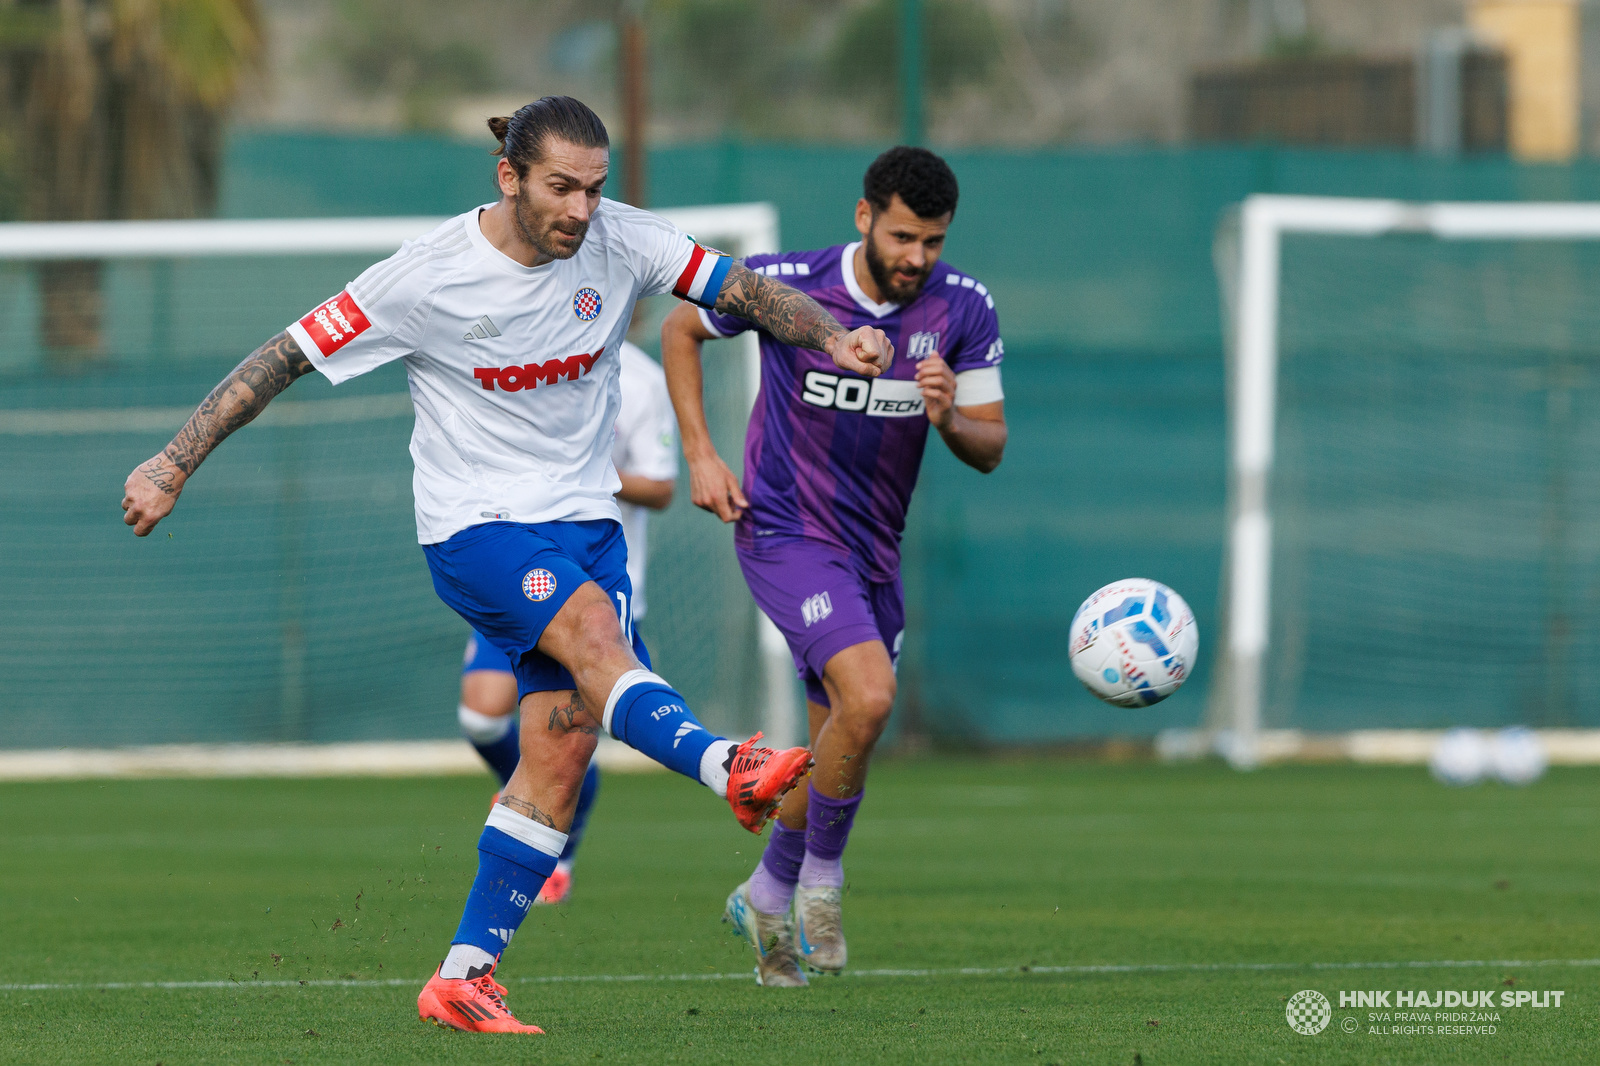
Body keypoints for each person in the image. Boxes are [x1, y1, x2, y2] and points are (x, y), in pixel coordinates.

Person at [120, 95, 892, 1034]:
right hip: (474, 527)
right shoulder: (427, 278)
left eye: (594, 189)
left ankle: (464, 973)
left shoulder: (623, 240)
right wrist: (171, 463)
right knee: (595, 636)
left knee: (560, 755)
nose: (579, 209)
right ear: (510, 177)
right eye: (560, 186)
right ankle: (729, 764)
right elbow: (282, 356)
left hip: (584, 525)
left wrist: (833, 335)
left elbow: (740, 292)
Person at [661, 146, 1007, 987]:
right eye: (901, 236)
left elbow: (990, 447)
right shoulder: (786, 283)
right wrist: (701, 456)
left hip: (872, 556)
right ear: (864, 218)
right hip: (785, 532)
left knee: (840, 738)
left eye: (932, 241)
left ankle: (765, 892)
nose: (916, 258)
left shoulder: (964, 309)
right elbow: (678, 327)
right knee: (874, 696)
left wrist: (948, 415)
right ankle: (818, 884)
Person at [458, 338, 678, 904]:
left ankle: (560, 847)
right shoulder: (525, 354)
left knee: (571, 737)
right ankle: (524, 786)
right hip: (517, 568)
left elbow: (661, 486)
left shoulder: (643, 379)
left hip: (596, 581)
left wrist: (589, 472)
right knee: (481, 717)